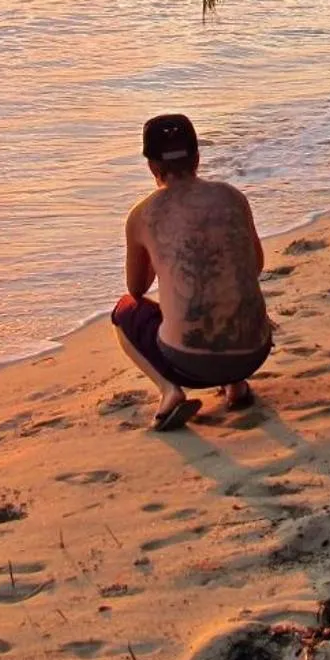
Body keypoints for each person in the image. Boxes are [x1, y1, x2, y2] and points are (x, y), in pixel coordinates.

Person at [112, 114, 274, 432]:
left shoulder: (142, 215)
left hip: (189, 364)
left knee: (125, 310)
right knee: (226, 291)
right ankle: (236, 385)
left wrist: (162, 257)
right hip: (255, 352)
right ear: (197, 158)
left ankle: (169, 391)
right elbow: (255, 265)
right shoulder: (233, 197)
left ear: (151, 166)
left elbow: (136, 288)